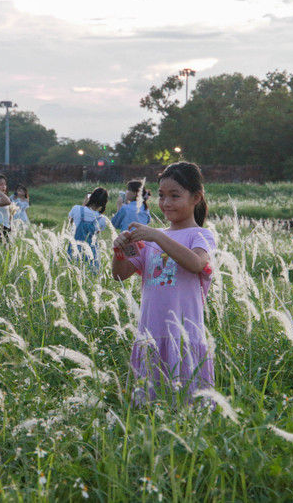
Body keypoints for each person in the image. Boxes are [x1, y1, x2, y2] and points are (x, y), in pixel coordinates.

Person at [111, 161, 216, 404]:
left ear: (196, 197)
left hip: (184, 331)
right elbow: (120, 274)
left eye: (174, 196)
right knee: (150, 405)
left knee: (186, 404)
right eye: (161, 196)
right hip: (151, 329)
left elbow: (196, 264)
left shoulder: (200, 235)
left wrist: (157, 235)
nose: (166, 203)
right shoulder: (150, 238)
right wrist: (119, 251)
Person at [67, 187, 108, 269]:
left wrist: (84, 204)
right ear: (103, 204)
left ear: (91, 197)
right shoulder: (102, 220)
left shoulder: (76, 209)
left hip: (74, 249)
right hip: (91, 254)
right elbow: (97, 233)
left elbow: (70, 222)